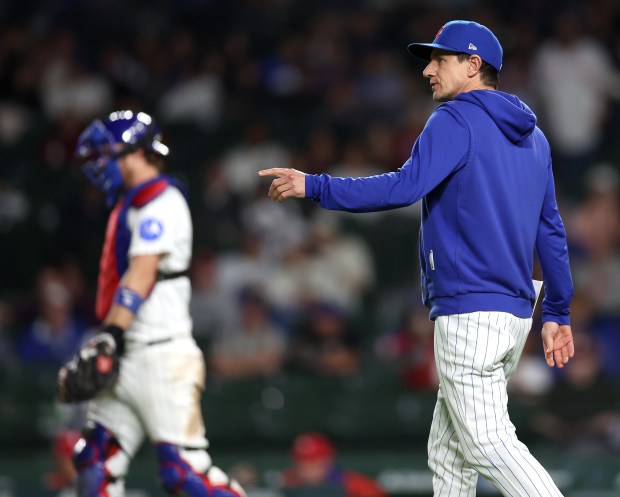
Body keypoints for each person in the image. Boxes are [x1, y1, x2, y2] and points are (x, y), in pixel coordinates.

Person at [259, 20, 575, 497]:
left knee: (488, 442)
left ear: (473, 65)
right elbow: (549, 227)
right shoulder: (535, 137)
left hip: (470, 306)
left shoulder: (454, 118)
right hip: (513, 311)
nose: (428, 69)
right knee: (448, 453)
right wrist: (557, 311)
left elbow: (404, 187)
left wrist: (315, 184)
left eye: (439, 59)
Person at [59, 110, 246, 497]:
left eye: (107, 156)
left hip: (162, 356)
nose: (101, 167)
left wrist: (109, 335)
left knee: (185, 475)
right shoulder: (133, 201)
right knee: (94, 464)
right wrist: (108, 341)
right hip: (128, 354)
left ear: (136, 153)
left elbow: (142, 272)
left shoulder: (163, 200)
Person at [278, 432, 387, 497]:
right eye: (300, 461)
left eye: (311, 461)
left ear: (326, 461)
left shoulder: (351, 484)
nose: (305, 467)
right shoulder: (287, 481)